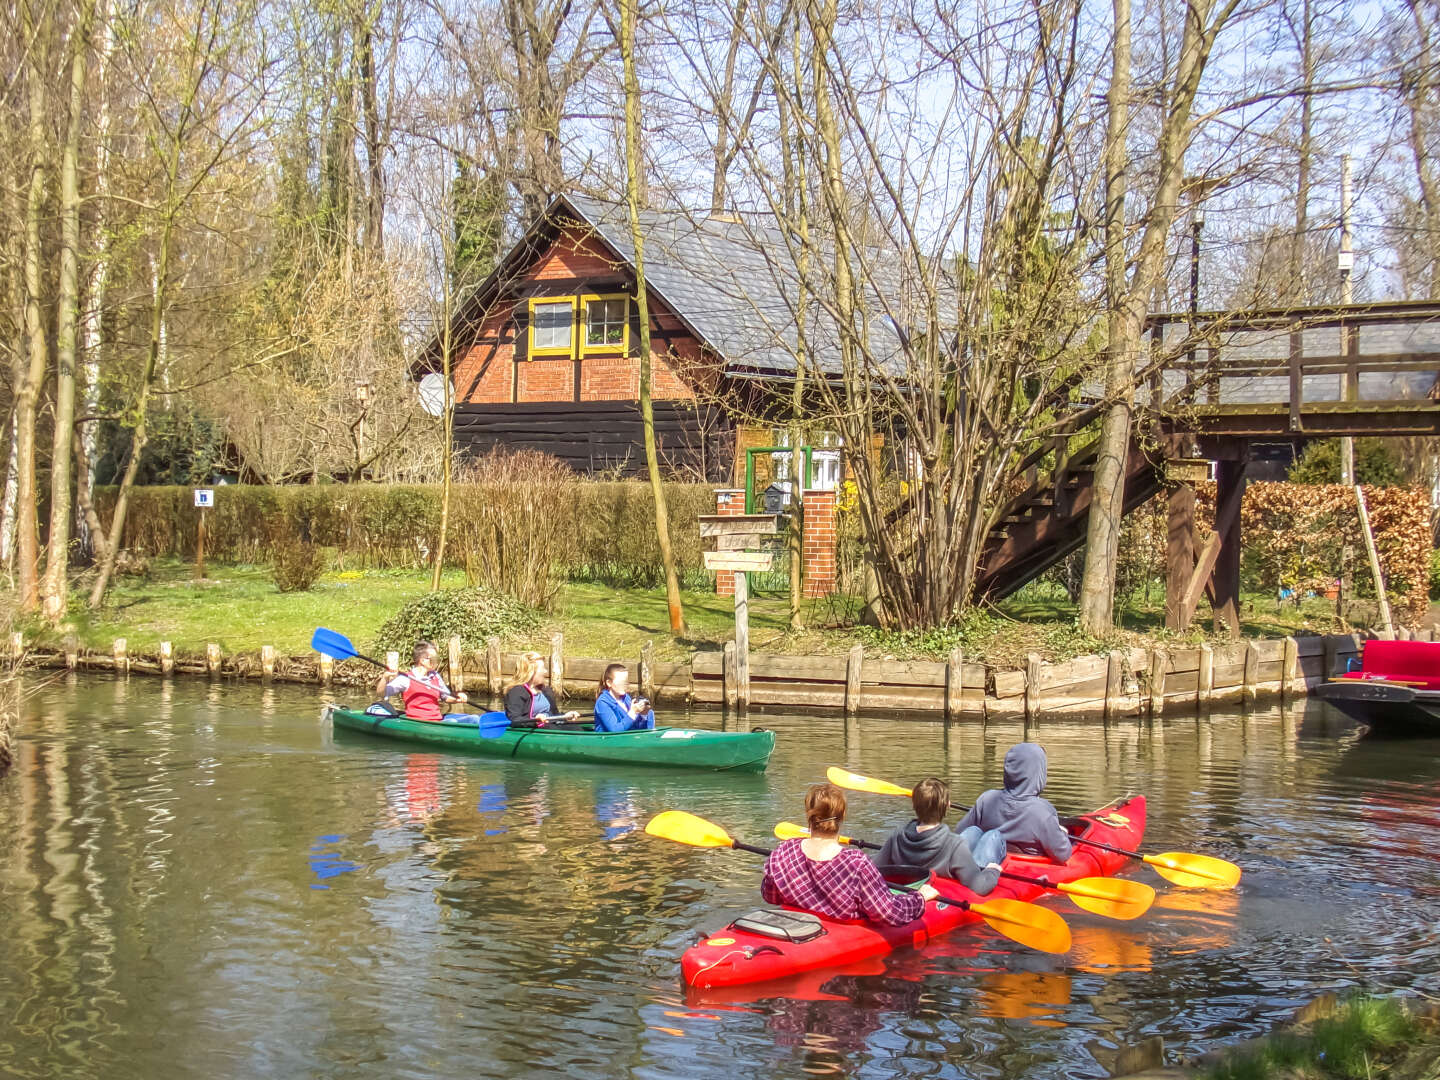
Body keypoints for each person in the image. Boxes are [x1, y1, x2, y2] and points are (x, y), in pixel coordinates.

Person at [762, 783, 937, 925]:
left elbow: (770, 896)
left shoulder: (782, 852)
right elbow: (888, 913)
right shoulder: (856, 863)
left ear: (809, 815)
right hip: (839, 937)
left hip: (797, 928)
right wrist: (919, 898)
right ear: (842, 815)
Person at [873, 777, 1007, 894]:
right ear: (947, 806)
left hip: (907, 890)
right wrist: (992, 870)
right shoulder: (954, 844)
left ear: (914, 804)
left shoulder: (897, 836)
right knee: (980, 834)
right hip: (941, 900)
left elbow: (872, 870)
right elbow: (980, 887)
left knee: (973, 831)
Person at [954, 742, 1073, 863]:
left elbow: (959, 832)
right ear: (1039, 773)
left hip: (985, 864)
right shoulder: (1044, 812)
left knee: (975, 832)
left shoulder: (986, 799)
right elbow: (1063, 854)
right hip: (1025, 871)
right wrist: (1063, 832)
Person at [375, 641, 467, 722]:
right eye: (434, 659)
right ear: (423, 660)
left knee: (474, 718)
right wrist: (385, 678)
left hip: (437, 719)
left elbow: (445, 697)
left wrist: (457, 698)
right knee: (452, 722)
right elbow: (381, 694)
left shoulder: (435, 676)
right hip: (418, 721)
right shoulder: (406, 679)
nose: (437, 661)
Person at [505, 652, 578, 727]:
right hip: (536, 729)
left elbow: (554, 714)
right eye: (542, 668)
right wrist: (535, 721)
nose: (545, 671)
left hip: (551, 725)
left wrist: (565, 716)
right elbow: (515, 719)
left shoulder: (546, 690)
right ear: (531, 671)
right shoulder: (517, 692)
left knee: (576, 727)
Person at [593, 663, 656, 732]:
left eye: (625, 682)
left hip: (628, 739)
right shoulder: (602, 703)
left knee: (649, 713)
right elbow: (615, 730)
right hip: (607, 740)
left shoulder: (626, 698)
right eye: (620, 682)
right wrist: (633, 712)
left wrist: (644, 715)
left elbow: (636, 728)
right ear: (609, 683)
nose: (623, 685)